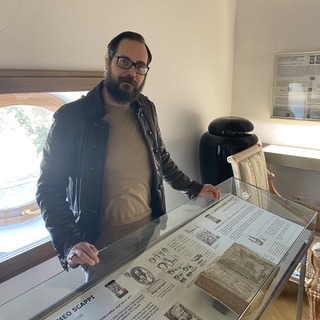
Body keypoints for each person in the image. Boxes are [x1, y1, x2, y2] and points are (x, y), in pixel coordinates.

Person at [36, 31, 220, 274]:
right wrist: (69, 241)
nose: (131, 72)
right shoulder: (71, 119)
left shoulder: (146, 108)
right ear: (107, 62)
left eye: (140, 66)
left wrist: (193, 188)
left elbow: (160, 158)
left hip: (151, 230)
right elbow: (49, 188)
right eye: (124, 62)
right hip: (101, 248)